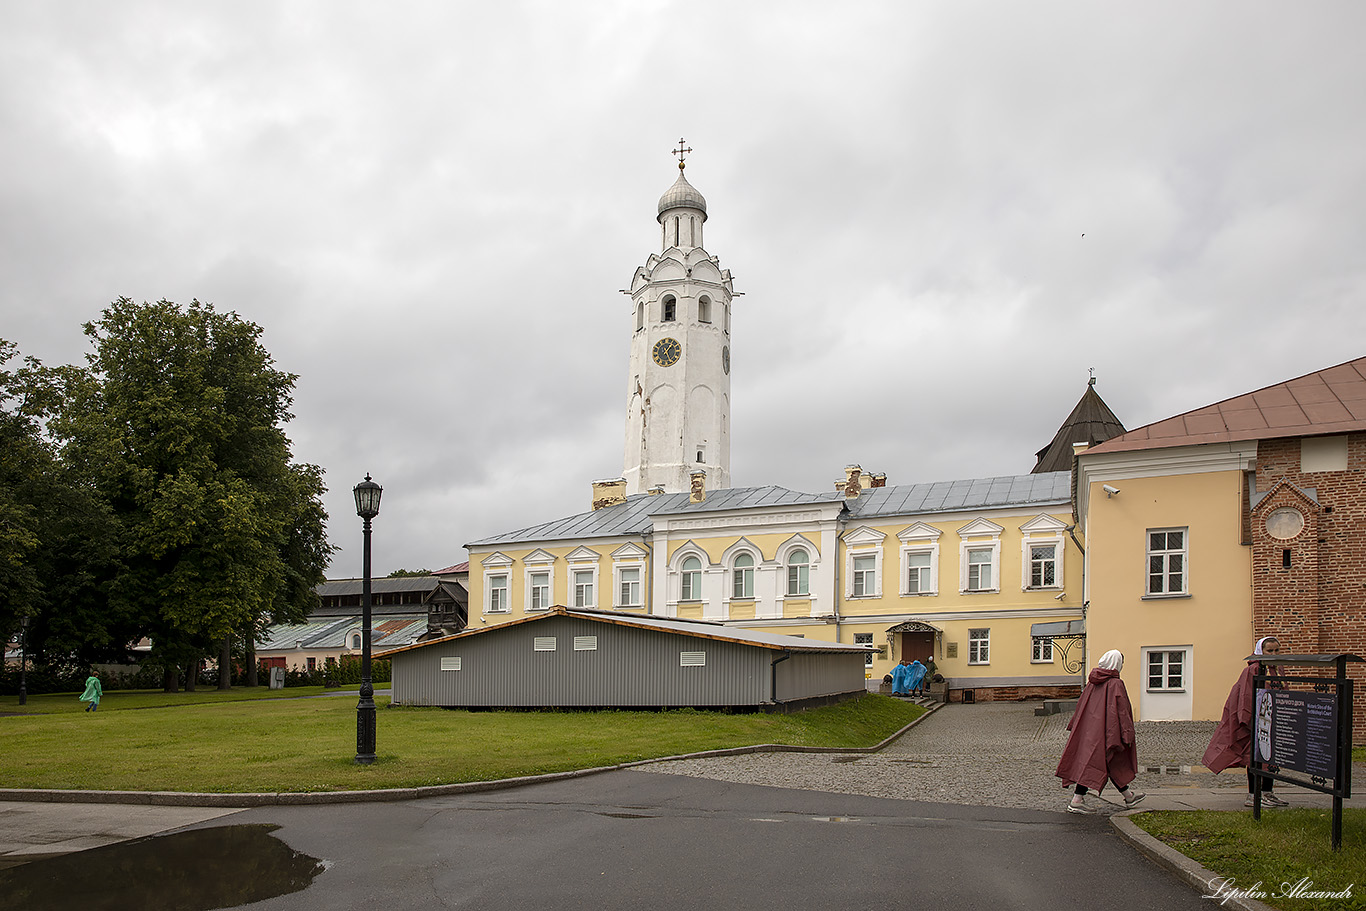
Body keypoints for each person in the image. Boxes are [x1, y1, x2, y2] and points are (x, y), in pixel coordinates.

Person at [1202, 636, 1289, 808]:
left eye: (1276, 650)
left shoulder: (1277, 669)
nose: (1273, 654)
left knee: (1270, 757)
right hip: (1256, 720)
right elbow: (1245, 695)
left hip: (1272, 719)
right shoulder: (1253, 670)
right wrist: (1248, 719)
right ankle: (1253, 794)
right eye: (1269, 650)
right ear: (1260, 651)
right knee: (1254, 757)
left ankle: (1267, 792)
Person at [1055, 650, 1144, 814]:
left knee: (1107, 763)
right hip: (1108, 732)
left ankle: (1129, 796)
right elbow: (1122, 712)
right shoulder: (1116, 684)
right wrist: (1127, 734)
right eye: (1121, 662)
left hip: (1090, 732)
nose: (1122, 666)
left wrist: (1076, 727)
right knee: (1098, 763)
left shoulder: (1092, 683)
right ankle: (1077, 801)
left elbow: (1082, 707)